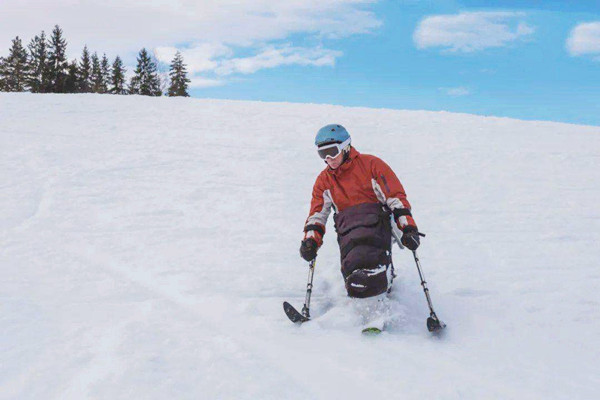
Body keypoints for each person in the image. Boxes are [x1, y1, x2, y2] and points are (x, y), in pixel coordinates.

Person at [300, 124, 421, 299]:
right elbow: (317, 214)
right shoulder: (324, 181)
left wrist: (408, 228)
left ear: (346, 147)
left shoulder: (372, 165)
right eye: (322, 154)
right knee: (353, 265)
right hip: (348, 230)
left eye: (332, 151)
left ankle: (383, 285)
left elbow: (396, 198)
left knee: (373, 257)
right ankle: (361, 294)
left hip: (377, 224)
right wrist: (310, 240)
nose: (328, 159)